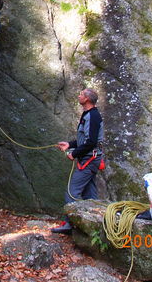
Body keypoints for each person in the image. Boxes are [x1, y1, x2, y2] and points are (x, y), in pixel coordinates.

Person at [51, 88, 104, 234]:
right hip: (90, 159)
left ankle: (69, 224)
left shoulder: (93, 116)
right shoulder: (88, 114)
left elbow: (91, 141)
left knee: (71, 191)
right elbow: (84, 139)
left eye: (81, 94)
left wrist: (74, 154)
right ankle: (96, 225)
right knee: (90, 194)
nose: (78, 95)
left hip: (89, 160)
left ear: (87, 99)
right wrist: (70, 144)